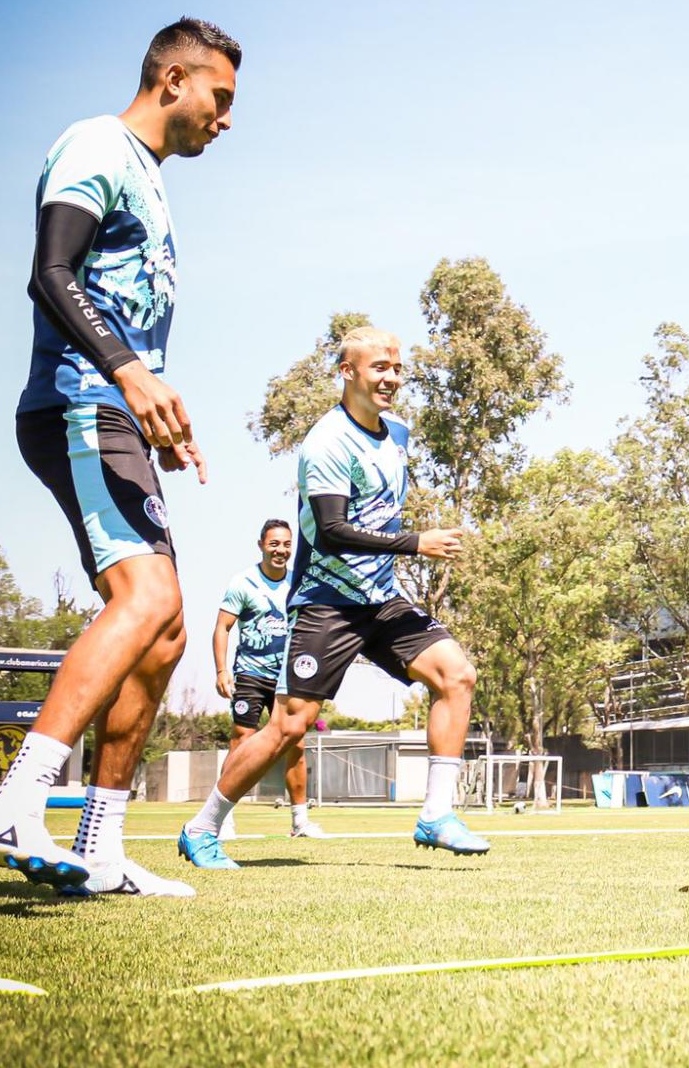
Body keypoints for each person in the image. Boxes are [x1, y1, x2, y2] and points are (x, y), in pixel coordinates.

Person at [0, 18, 240, 897]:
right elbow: (52, 271)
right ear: (170, 80)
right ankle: (15, 801)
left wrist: (157, 405)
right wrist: (123, 373)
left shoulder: (149, 181)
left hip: (118, 413)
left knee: (165, 637)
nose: (225, 119)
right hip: (79, 405)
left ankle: (99, 845)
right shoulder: (96, 144)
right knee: (145, 599)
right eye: (219, 98)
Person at [177, 327, 489, 866]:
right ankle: (202, 827)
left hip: (382, 600)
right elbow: (329, 531)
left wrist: (399, 554)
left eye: (396, 368)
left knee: (456, 674)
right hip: (327, 603)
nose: (390, 378)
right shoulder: (327, 442)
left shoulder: (399, 436)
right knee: (289, 726)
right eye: (378, 368)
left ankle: (436, 815)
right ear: (348, 372)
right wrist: (416, 542)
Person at [214, 519, 326, 839]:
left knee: (296, 743)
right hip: (250, 673)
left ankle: (300, 822)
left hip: (287, 679)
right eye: (274, 543)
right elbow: (222, 628)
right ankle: (222, 819)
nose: (281, 550)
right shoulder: (243, 582)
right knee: (241, 741)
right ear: (261, 544)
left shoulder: (298, 585)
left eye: (287, 544)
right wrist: (222, 671)